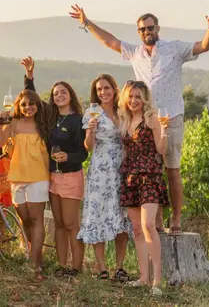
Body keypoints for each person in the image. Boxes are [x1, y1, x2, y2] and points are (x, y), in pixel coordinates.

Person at [69, 4, 209, 234]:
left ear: (157, 28)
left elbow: (203, 46)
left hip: (170, 117)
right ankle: (157, 221)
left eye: (150, 27)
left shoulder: (174, 49)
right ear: (139, 32)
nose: (146, 31)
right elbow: (110, 41)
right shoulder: (135, 52)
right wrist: (86, 22)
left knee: (172, 169)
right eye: (142, 29)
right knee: (152, 170)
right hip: (143, 119)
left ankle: (176, 220)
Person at [21, 57, 87, 277]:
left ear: (71, 96)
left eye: (63, 92)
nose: (59, 95)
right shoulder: (50, 116)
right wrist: (29, 76)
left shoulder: (78, 120)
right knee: (58, 223)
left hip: (71, 175)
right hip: (52, 176)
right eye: (56, 93)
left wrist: (67, 156)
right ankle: (61, 265)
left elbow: (83, 152)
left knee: (70, 223)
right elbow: (30, 100)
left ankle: (76, 267)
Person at [77, 74, 131, 282]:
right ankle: (102, 268)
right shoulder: (93, 113)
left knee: (121, 215)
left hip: (123, 168)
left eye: (106, 88)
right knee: (98, 214)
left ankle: (119, 267)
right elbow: (88, 147)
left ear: (114, 89)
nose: (103, 92)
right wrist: (90, 131)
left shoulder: (123, 111)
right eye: (99, 89)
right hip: (101, 169)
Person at [118, 80, 169, 296]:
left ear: (145, 99)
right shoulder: (125, 120)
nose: (134, 101)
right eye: (130, 96)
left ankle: (158, 280)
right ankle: (143, 277)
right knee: (137, 230)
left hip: (149, 175)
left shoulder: (152, 119)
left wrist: (164, 130)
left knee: (148, 225)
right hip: (130, 177)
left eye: (138, 97)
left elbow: (161, 149)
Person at [0, 89, 50, 279]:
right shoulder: (14, 123)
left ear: (37, 105)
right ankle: (35, 254)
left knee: (36, 219)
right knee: (24, 218)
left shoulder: (43, 124)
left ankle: (34, 263)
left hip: (38, 177)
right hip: (17, 176)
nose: (28, 107)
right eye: (24, 104)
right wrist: (0, 124)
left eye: (31, 103)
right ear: (18, 105)